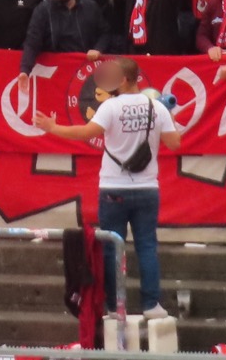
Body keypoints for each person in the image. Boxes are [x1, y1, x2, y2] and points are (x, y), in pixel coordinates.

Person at [34, 55, 182, 320]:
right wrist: (166, 114)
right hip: (147, 188)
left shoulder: (111, 107)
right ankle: (151, 305)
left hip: (113, 188)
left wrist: (52, 127)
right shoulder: (157, 108)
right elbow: (175, 144)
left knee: (111, 248)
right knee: (147, 246)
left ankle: (115, 307)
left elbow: (86, 133)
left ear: (123, 79)